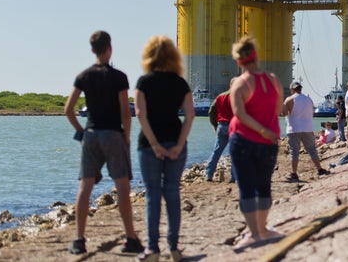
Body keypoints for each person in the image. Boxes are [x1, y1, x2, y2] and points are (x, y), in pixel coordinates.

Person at [63, 31, 143, 256]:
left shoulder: (84, 76)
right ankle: (130, 238)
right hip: (113, 134)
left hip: (91, 133)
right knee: (122, 187)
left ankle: (79, 240)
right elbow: (125, 113)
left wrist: (81, 131)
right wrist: (126, 138)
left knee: (85, 187)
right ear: (110, 48)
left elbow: (68, 110)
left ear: (92, 50)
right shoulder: (119, 77)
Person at [135, 35, 195, 262]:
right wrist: (179, 145)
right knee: (172, 193)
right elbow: (189, 116)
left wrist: (153, 144)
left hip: (149, 145)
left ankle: (152, 249)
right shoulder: (181, 83)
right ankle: (174, 248)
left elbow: (140, 114)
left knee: (152, 195)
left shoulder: (144, 82)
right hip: (174, 140)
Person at [228, 35, 284, 247]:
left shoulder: (241, 84)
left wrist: (258, 129)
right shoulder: (274, 80)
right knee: (264, 186)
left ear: (239, 61)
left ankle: (254, 234)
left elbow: (239, 114)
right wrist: (265, 129)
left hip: (243, 140)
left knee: (247, 188)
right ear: (256, 55)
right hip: (269, 142)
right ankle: (263, 229)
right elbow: (278, 109)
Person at [282, 80, 331, 182]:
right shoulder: (309, 99)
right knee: (312, 149)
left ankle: (294, 174)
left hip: (293, 129)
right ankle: (320, 169)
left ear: (292, 89)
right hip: (307, 128)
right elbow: (312, 113)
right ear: (300, 89)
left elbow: (283, 113)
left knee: (294, 151)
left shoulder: (289, 99)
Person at [205, 87, 235, 183]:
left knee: (216, 151)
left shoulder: (220, 96)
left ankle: (208, 174)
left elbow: (211, 111)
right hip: (234, 126)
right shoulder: (238, 96)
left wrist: (215, 125)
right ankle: (234, 177)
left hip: (221, 125)